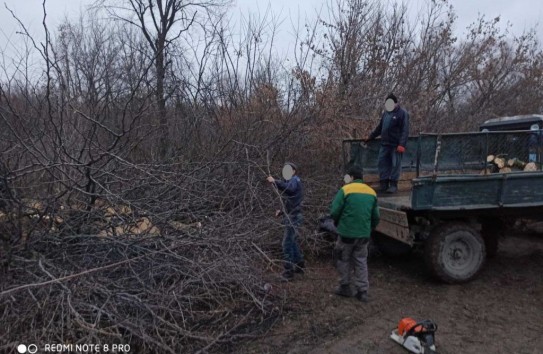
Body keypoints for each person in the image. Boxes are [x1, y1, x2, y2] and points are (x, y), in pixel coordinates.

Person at [330, 166, 379, 302]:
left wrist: (337, 223)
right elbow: (376, 216)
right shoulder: (372, 192)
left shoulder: (345, 190)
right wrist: (369, 228)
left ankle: (345, 287)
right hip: (363, 235)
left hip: (346, 233)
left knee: (343, 259)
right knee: (361, 261)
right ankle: (362, 291)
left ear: (351, 177)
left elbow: (334, 211)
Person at [266, 162, 305, 281]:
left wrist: (275, 181)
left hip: (294, 217)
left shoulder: (294, 180)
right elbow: (291, 200)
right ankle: (299, 264)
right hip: (291, 215)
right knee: (292, 242)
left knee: (286, 244)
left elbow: (290, 190)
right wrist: (282, 211)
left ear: (293, 171)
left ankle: (289, 272)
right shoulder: (290, 181)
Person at [365, 93, 409, 193]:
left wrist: (402, 144)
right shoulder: (386, 113)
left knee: (395, 164)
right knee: (382, 163)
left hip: (396, 145)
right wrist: (370, 137)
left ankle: (393, 184)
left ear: (395, 103)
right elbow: (380, 128)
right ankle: (384, 183)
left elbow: (405, 130)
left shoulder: (402, 113)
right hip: (385, 144)